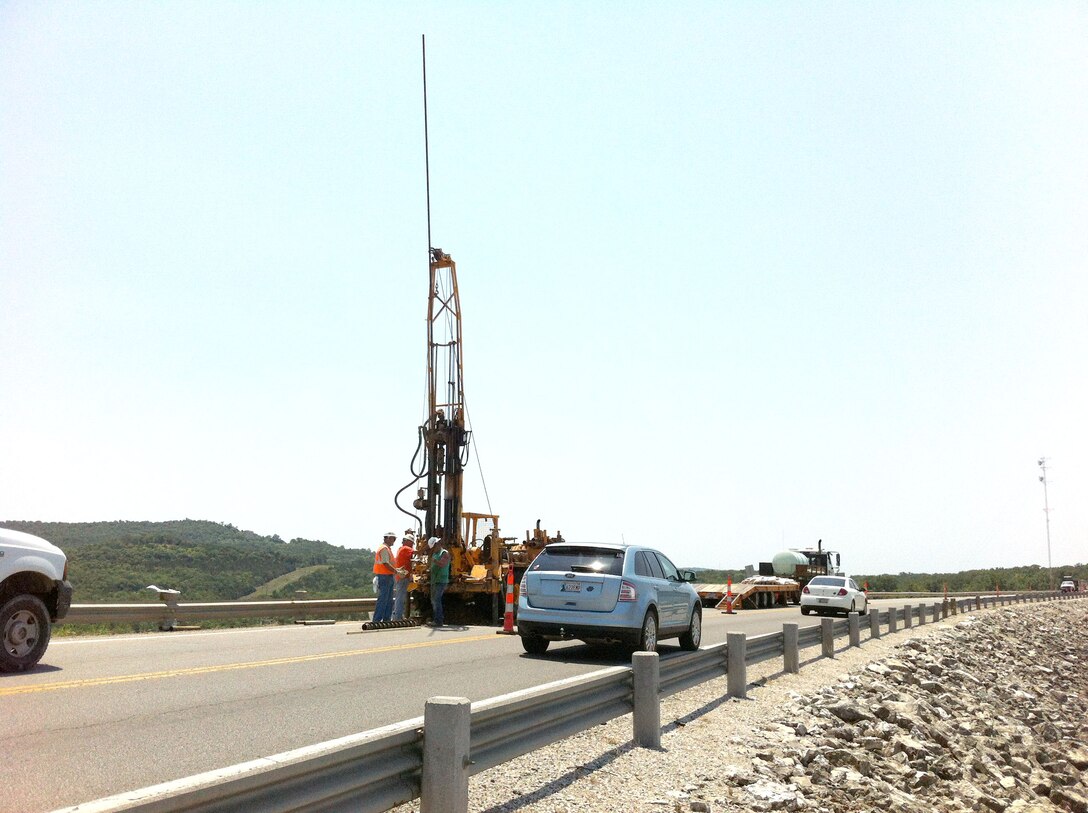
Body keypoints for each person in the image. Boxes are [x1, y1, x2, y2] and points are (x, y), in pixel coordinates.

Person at [372, 531, 397, 622]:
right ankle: (377, 620)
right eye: (393, 539)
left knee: (388, 600)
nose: (394, 541)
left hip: (387, 576)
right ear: (387, 538)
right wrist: (396, 571)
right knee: (383, 599)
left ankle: (386, 619)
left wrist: (396, 570)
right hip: (384, 576)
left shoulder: (387, 549)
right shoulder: (384, 549)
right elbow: (386, 563)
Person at [391, 531, 415, 621]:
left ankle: (397, 615)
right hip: (403, 577)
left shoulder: (401, 549)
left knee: (399, 597)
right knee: (400, 597)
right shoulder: (405, 548)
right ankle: (397, 617)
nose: (412, 545)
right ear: (407, 541)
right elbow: (418, 552)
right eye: (412, 543)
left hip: (401, 576)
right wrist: (429, 546)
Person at [428, 536, 451, 627]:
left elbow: (442, 564)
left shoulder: (444, 553)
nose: (433, 549)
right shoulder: (435, 554)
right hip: (434, 580)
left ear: (437, 544)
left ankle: (438, 620)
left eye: (433, 547)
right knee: (434, 600)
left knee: (437, 599)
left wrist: (434, 561)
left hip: (441, 580)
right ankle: (436, 619)